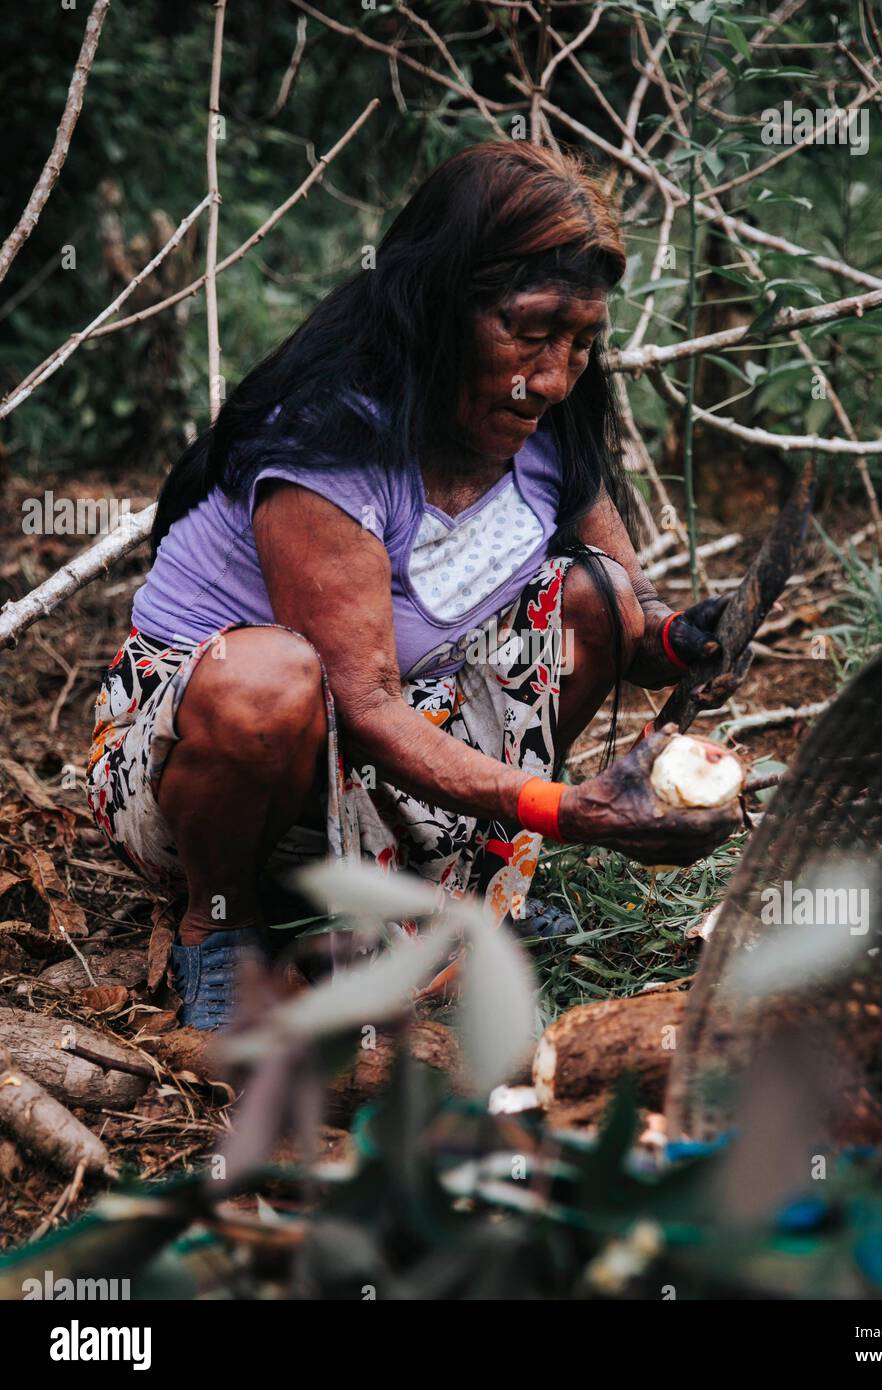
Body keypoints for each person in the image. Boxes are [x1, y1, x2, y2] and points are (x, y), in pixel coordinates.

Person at [85, 141, 742, 1030]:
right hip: (200, 762)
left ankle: (469, 891)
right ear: (441, 307)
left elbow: (625, 609)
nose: (551, 375)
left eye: (581, 340)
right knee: (270, 680)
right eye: (531, 330)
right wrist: (563, 811)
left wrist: (678, 640)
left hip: (387, 749)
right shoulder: (331, 445)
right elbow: (365, 702)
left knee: (595, 596)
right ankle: (221, 921)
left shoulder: (543, 417)